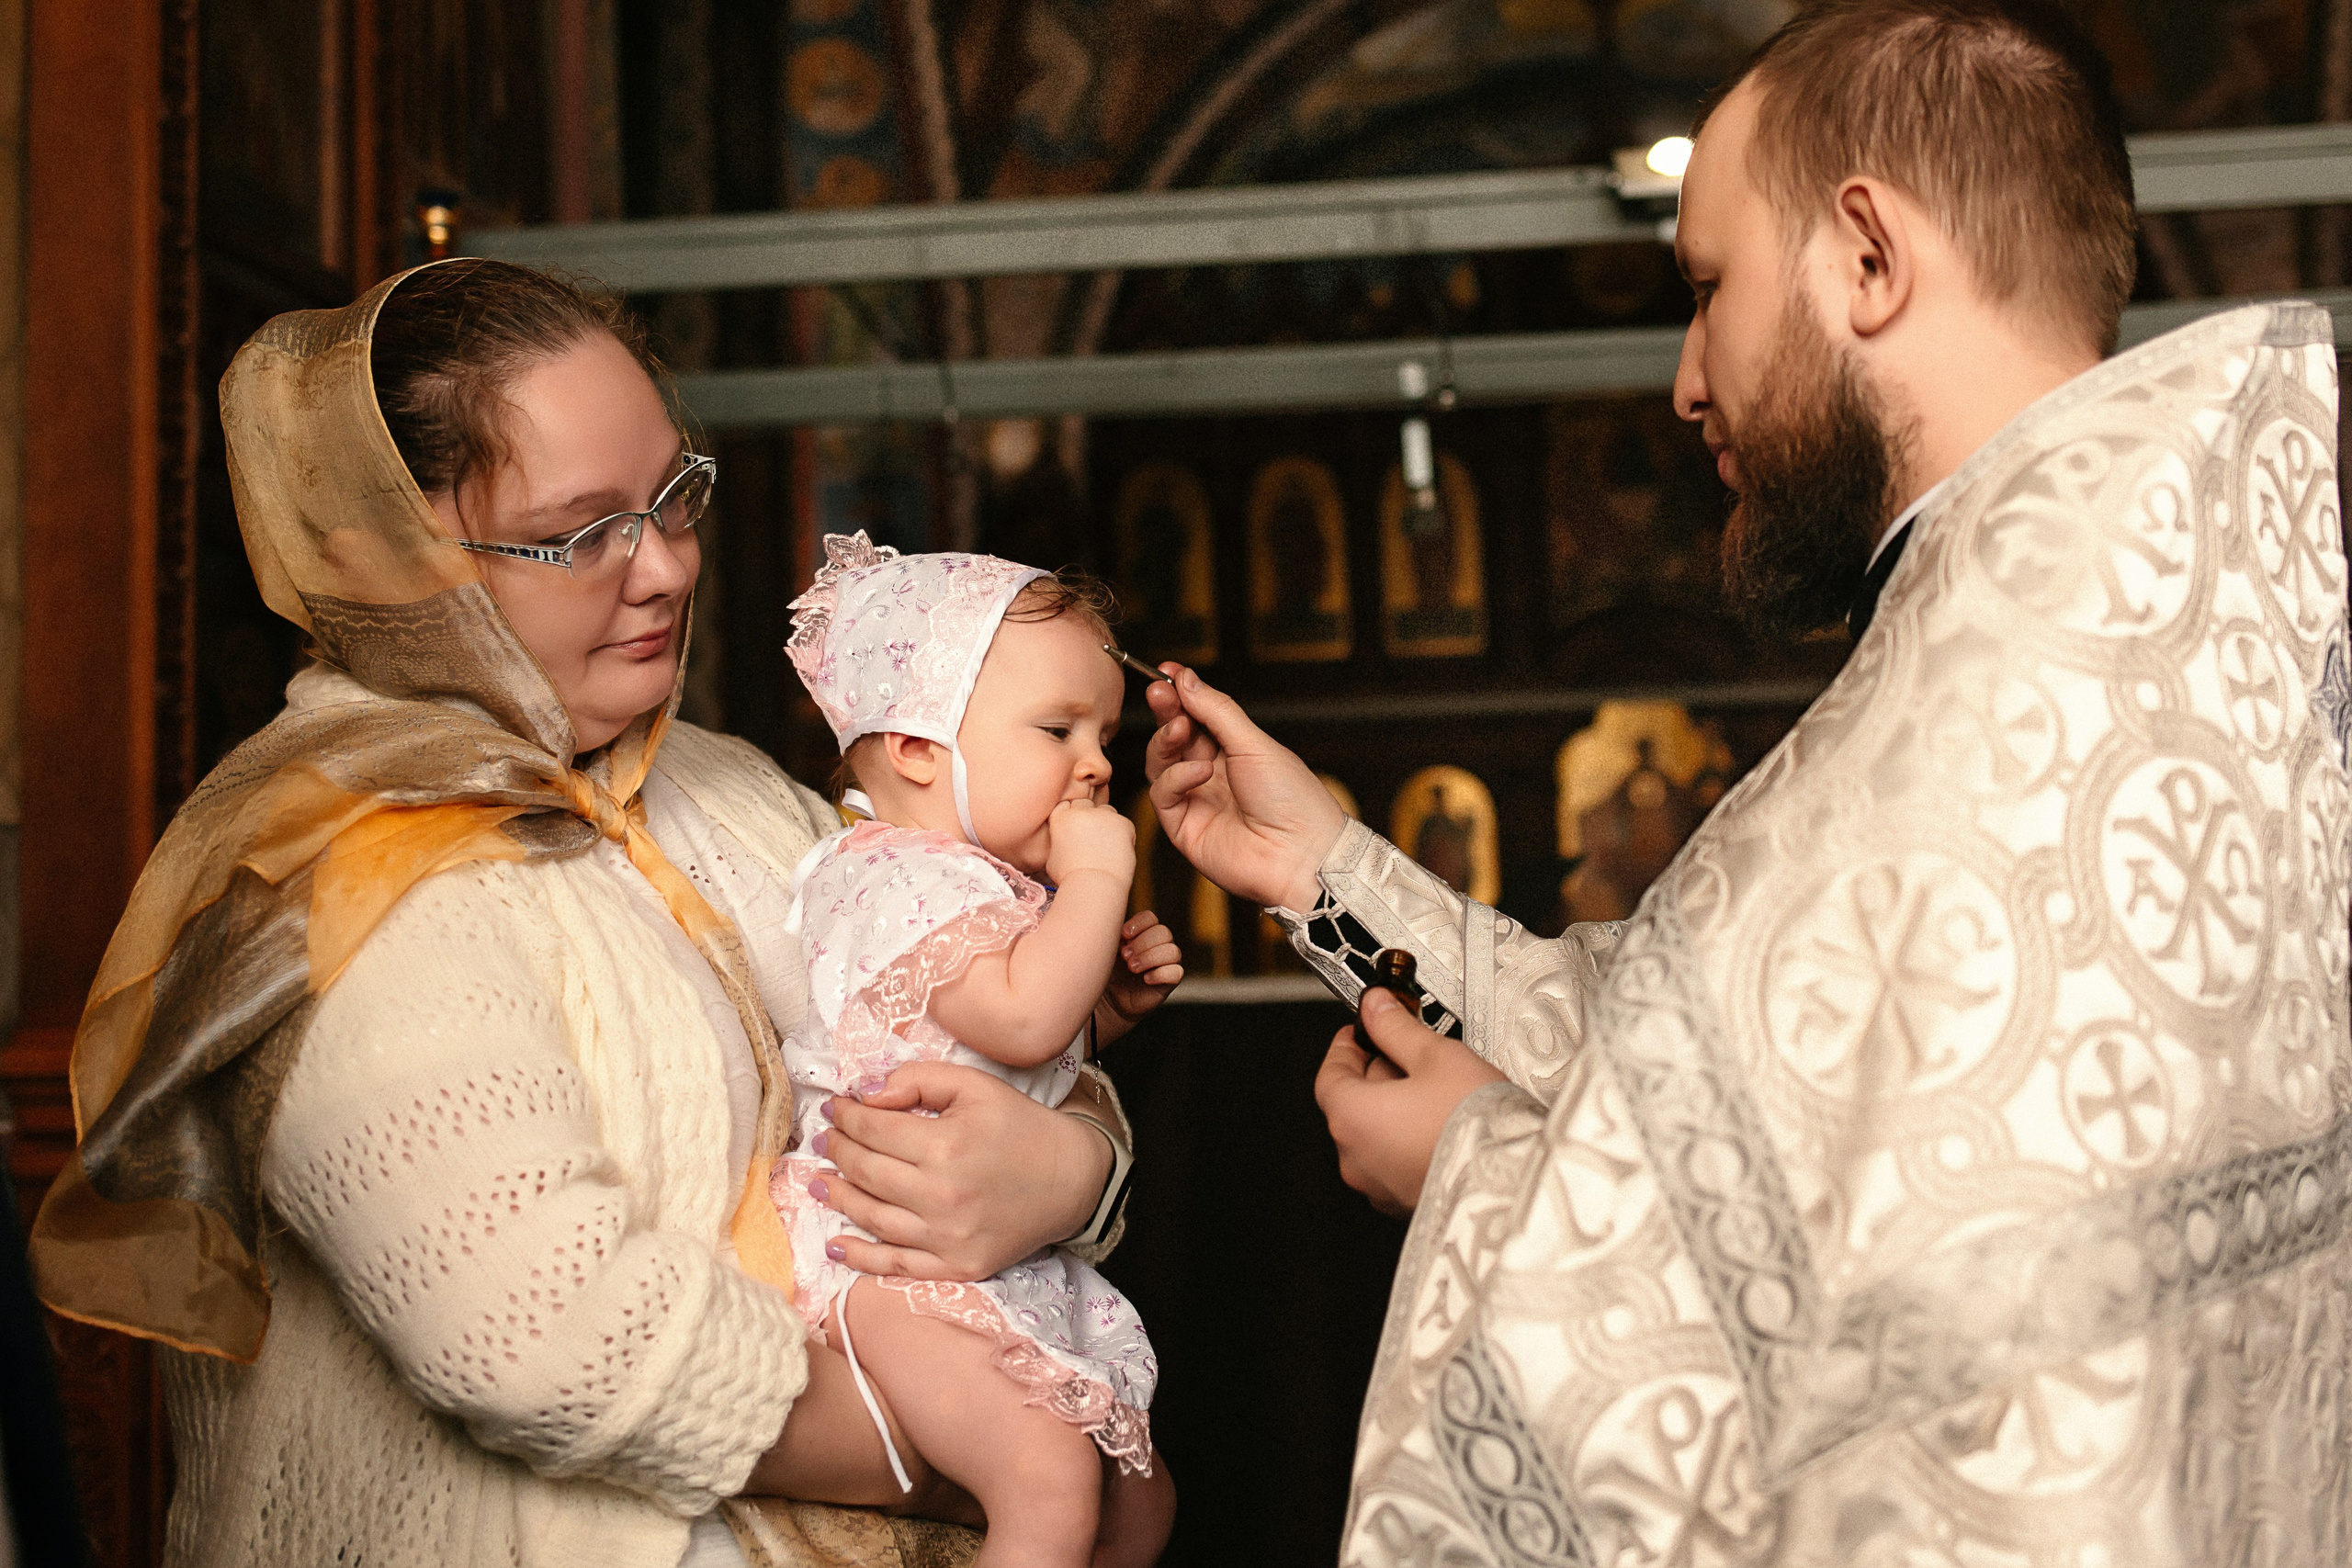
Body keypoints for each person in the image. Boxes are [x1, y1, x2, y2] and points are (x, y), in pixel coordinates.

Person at [1144, 1, 2352, 1562]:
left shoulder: (1963, 728)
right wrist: (1330, 877)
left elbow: (1913, 1362)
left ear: (1868, 255)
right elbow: (1723, 1089)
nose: (1682, 383)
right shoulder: (2196, 641)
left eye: (1708, 289)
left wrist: (1472, 1173)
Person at [26, 257, 1141, 1568]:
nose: (666, 564)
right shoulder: (340, 885)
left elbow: (977, 1032)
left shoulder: (737, 792)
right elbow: (540, 1328)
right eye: (579, 530)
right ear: (376, 557)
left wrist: (1070, 1172)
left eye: (676, 494)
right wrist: (978, 1455)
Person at [772, 534, 1181, 1566]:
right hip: (881, 1256)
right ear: (916, 747)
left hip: (981, 1250)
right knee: (1044, 1476)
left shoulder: (977, 882)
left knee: (1141, 1498)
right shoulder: (899, 876)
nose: (1097, 763)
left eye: (1103, 732)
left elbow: (1014, 1051)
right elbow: (1021, 1022)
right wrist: (1095, 890)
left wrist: (1106, 1009)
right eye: (1057, 729)